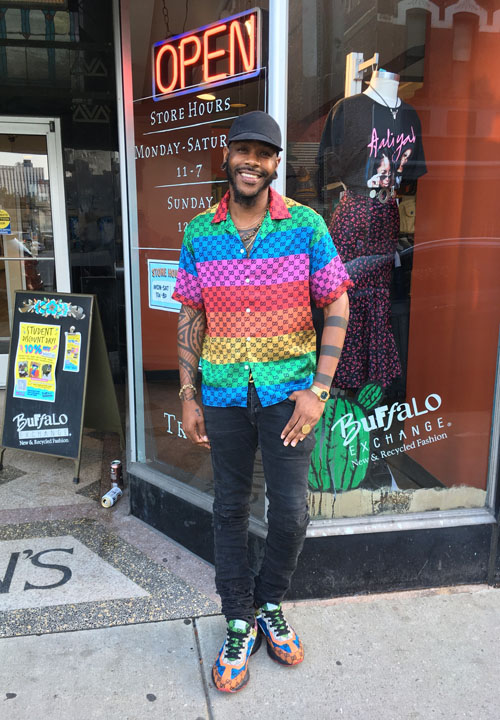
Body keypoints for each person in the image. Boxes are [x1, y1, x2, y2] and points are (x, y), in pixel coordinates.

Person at [172, 111, 351, 693]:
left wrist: (318, 390)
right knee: (227, 509)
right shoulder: (200, 232)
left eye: (264, 153)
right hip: (223, 394)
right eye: (243, 150)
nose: (252, 160)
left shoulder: (305, 226)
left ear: (277, 164)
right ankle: (238, 618)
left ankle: (269, 602)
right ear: (227, 156)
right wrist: (188, 392)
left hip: (287, 398)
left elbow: (338, 304)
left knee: (292, 512)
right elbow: (191, 314)